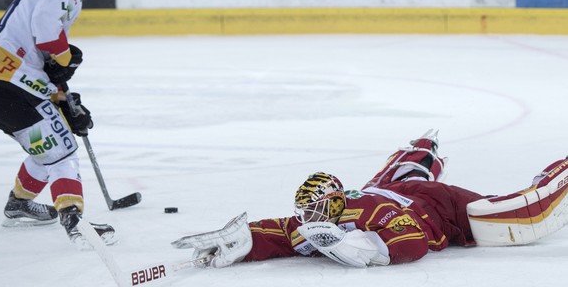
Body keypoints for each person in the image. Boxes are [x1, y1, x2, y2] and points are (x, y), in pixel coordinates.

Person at [175, 130, 568, 268]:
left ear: (333, 202)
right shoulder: (321, 212)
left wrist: (350, 245)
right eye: (305, 208)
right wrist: (244, 242)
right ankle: (422, 147)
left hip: (441, 205)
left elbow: (412, 242)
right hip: (395, 188)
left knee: (514, 215)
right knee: (402, 172)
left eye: (314, 207)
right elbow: (282, 231)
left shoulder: (370, 210)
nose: (308, 215)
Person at [0, 0, 114, 247]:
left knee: (45, 144)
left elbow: (36, 61)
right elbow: (46, 34)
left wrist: (62, 98)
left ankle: (19, 204)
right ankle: (75, 223)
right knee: (64, 150)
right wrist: (68, 59)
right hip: (12, 85)